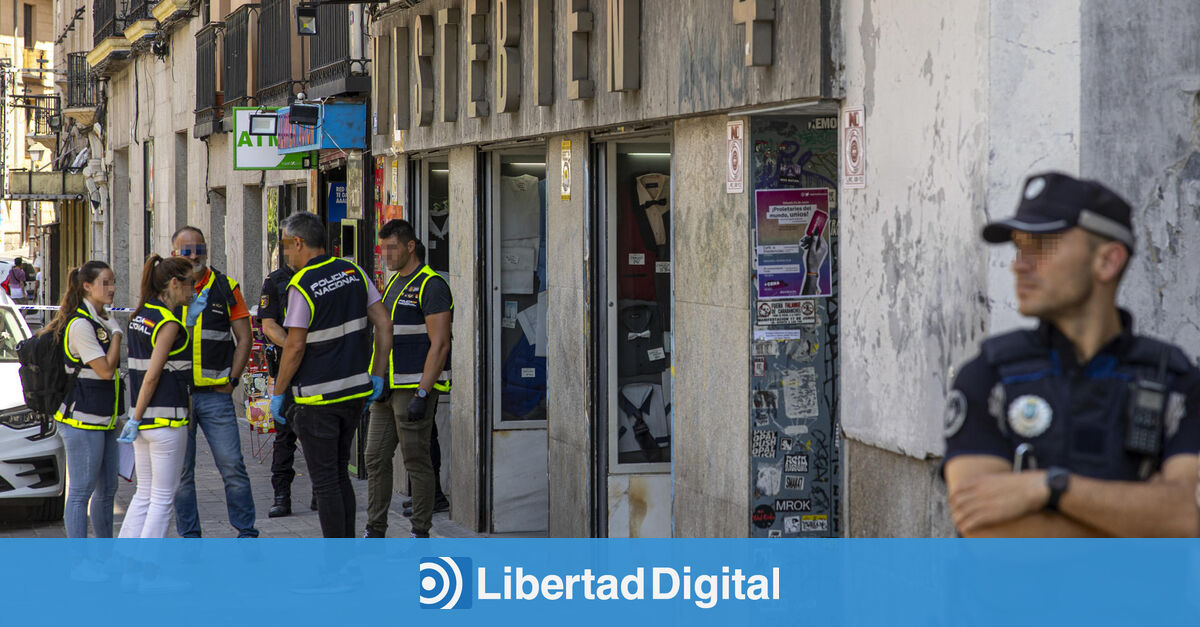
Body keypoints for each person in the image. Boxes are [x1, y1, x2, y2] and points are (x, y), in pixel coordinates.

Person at [942, 172, 1200, 537]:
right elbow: (987, 531)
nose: (1019, 264)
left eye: (1041, 245)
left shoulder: (1176, 381)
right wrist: (1138, 517)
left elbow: (1185, 521)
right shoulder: (990, 377)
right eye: (1019, 247)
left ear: (1108, 261)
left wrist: (1047, 488)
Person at [271, 212, 391, 538]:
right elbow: (384, 323)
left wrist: (279, 393)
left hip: (317, 399)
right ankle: (347, 560)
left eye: (286, 247)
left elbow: (294, 347)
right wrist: (376, 376)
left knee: (325, 482)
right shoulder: (354, 272)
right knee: (339, 476)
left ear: (298, 242)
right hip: (354, 394)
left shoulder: (301, 284)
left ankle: (338, 568)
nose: (286, 255)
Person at [364, 220, 452, 538]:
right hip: (387, 390)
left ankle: (420, 530)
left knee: (416, 461)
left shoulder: (432, 285)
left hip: (413, 389)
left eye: (392, 247)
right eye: (382, 247)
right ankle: (375, 530)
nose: (386, 254)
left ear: (410, 246)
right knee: (374, 457)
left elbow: (440, 343)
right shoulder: (393, 284)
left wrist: (424, 393)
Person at [169, 226, 258, 538]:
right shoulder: (165, 289)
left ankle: (246, 533)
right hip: (176, 398)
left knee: (233, 466)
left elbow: (245, 338)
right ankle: (190, 537)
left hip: (216, 396)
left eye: (199, 249)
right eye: (187, 250)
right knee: (181, 473)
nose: (194, 256)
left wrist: (233, 380)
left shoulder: (226, 287)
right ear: (174, 254)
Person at [40, 261, 125, 538]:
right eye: (105, 283)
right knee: (80, 493)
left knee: (108, 490)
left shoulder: (100, 318)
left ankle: (103, 555)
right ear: (87, 286)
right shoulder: (80, 324)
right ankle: (79, 561)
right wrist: (116, 335)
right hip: (82, 420)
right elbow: (105, 370)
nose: (112, 288)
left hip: (105, 418)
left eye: (113, 282)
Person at [118, 255, 195, 538]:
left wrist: (135, 418)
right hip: (166, 420)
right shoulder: (167, 322)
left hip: (144, 422)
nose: (194, 290)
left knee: (144, 495)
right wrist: (136, 417)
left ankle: (127, 564)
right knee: (163, 499)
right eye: (191, 283)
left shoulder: (140, 315)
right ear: (175, 284)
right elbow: (152, 375)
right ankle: (145, 571)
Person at [255, 261, 317, 518]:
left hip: (318, 368)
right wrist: (294, 346)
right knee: (284, 436)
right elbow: (268, 325)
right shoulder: (276, 280)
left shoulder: (319, 277)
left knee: (317, 434)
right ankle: (282, 495)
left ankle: (321, 492)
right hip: (289, 368)